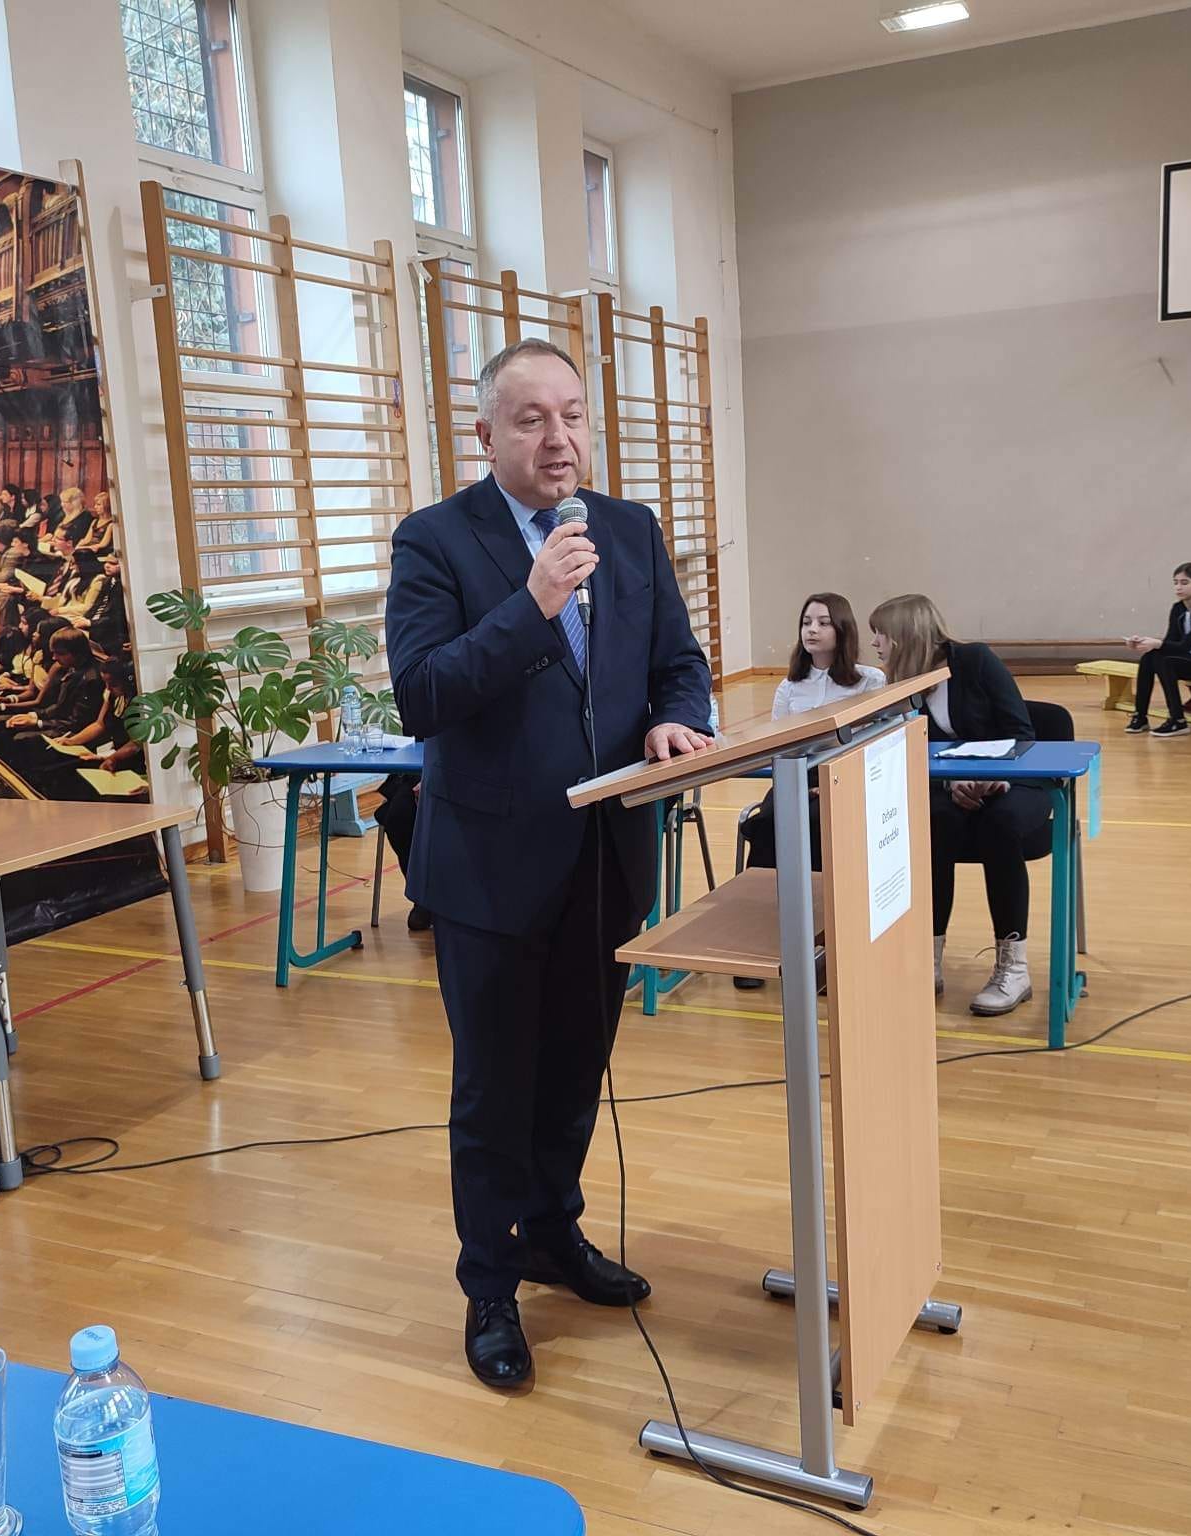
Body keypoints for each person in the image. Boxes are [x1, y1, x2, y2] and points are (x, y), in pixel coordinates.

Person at [384, 338, 713, 1391]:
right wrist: (529, 606)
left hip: (606, 856)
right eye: (531, 419)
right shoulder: (435, 541)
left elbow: (679, 664)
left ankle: (551, 1233)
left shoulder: (629, 529)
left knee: (576, 1068)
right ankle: (489, 1285)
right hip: (488, 867)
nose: (558, 438)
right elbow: (422, 695)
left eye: (571, 414)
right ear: (485, 434)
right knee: (494, 1090)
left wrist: (673, 719)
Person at [871, 592, 1043, 1016]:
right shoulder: (900, 684)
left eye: (880, 634)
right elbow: (908, 751)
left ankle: (1014, 968)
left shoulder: (976, 660)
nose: (874, 643)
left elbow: (1022, 733)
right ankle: (927, 959)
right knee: (932, 821)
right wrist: (951, 784)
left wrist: (993, 778)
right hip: (950, 788)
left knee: (999, 826)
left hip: (1014, 781)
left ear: (905, 635)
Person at [734, 593, 885, 985]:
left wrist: (831, 782)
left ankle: (823, 947)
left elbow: (873, 743)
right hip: (796, 778)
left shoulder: (870, 680)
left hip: (845, 779)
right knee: (768, 824)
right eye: (806, 623)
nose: (812, 630)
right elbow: (776, 744)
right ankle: (759, 945)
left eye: (822, 622)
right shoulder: (790, 686)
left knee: (816, 826)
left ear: (842, 629)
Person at [1123, 561, 1191, 739]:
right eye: (1176, 583)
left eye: (1184, 583)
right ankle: (1140, 716)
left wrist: (1157, 644)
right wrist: (1142, 642)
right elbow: (1171, 642)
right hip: (1190, 661)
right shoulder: (1178, 608)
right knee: (1150, 657)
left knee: (1163, 660)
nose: (1178, 587)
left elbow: (1185, 645)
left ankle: (1178, 720)